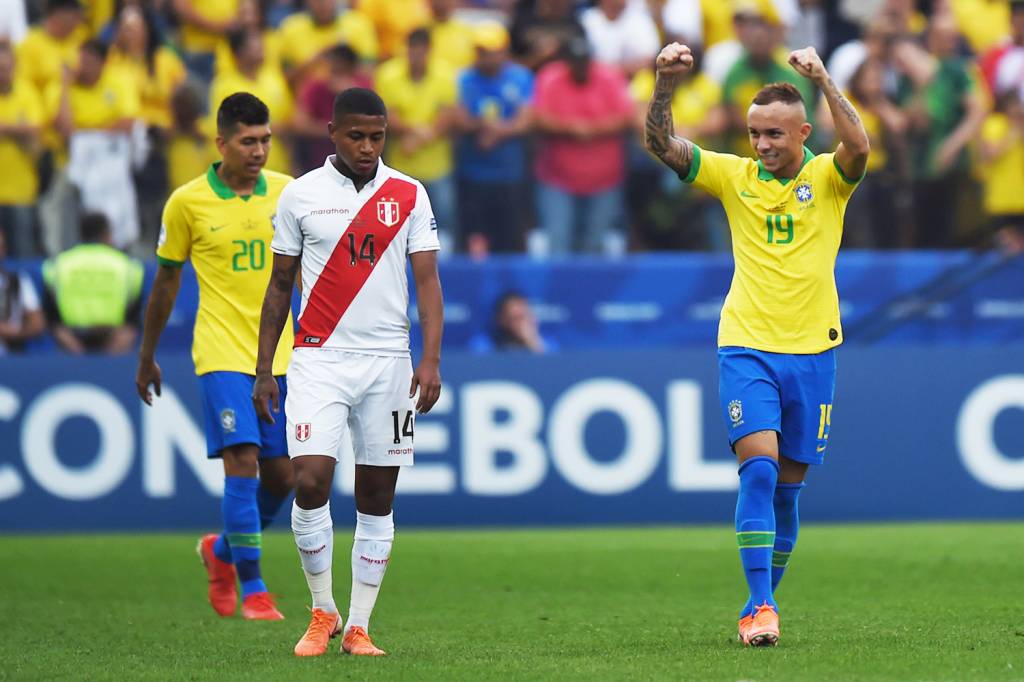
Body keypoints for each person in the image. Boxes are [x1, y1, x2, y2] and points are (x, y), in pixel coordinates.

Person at [644, 42, 869, 646]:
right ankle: (761, 606)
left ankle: (757, 600)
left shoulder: (827, 178)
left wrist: (824, 79)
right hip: (745, 344)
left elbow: (860, 146)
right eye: (753, 134)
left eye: (773, 134)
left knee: (790, 492)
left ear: (801, 132)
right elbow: (662, 146)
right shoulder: (734, 176)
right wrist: (665, 84)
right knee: (760, 471)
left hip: (815, 350)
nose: (762, 146)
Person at [252, 87, 443, 657]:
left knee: (377, 493)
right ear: (331, 132)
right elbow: (280, 285)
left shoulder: (409, 194)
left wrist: (430, 357)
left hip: (390, 361)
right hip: (318, 358)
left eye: (377, 136)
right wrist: (265, 368)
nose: (367, 146)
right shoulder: (300, 196)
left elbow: (428, 282)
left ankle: (358, 625)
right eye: (356, 135)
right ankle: (321, 611)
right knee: (309, 479)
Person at [134, 93, 295, 621]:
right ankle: (254, 588)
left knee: (284, 479)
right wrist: (148, 354)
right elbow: (165, 282)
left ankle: (221, 551)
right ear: (221, 142)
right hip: (221, 350)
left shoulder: (291, 195)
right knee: (243, 462)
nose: (259, 150)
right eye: (248, 141)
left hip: (283, 356)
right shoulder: (187, 202)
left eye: (266, 139)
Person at [42, 212, 144, 355]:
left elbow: (52, 319)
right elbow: (133, 322)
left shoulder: (58, 265)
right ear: (106, 234)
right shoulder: (128, 266)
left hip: (71, 342)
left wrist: (78, 352)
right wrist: (110, 359)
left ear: (80, 234)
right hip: (114, 341)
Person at [0, 228, 45, 354]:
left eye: (2, 247)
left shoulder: (18, 281)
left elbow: (38, 324)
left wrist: (12, 332)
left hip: (12, 355)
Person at [469, 290, 555, 353]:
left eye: (526, 316)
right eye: (516, 318)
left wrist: (532, 341)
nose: (523, 323)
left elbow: (551, 369)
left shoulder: (546, 343)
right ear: (502, 320)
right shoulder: (484, 344)